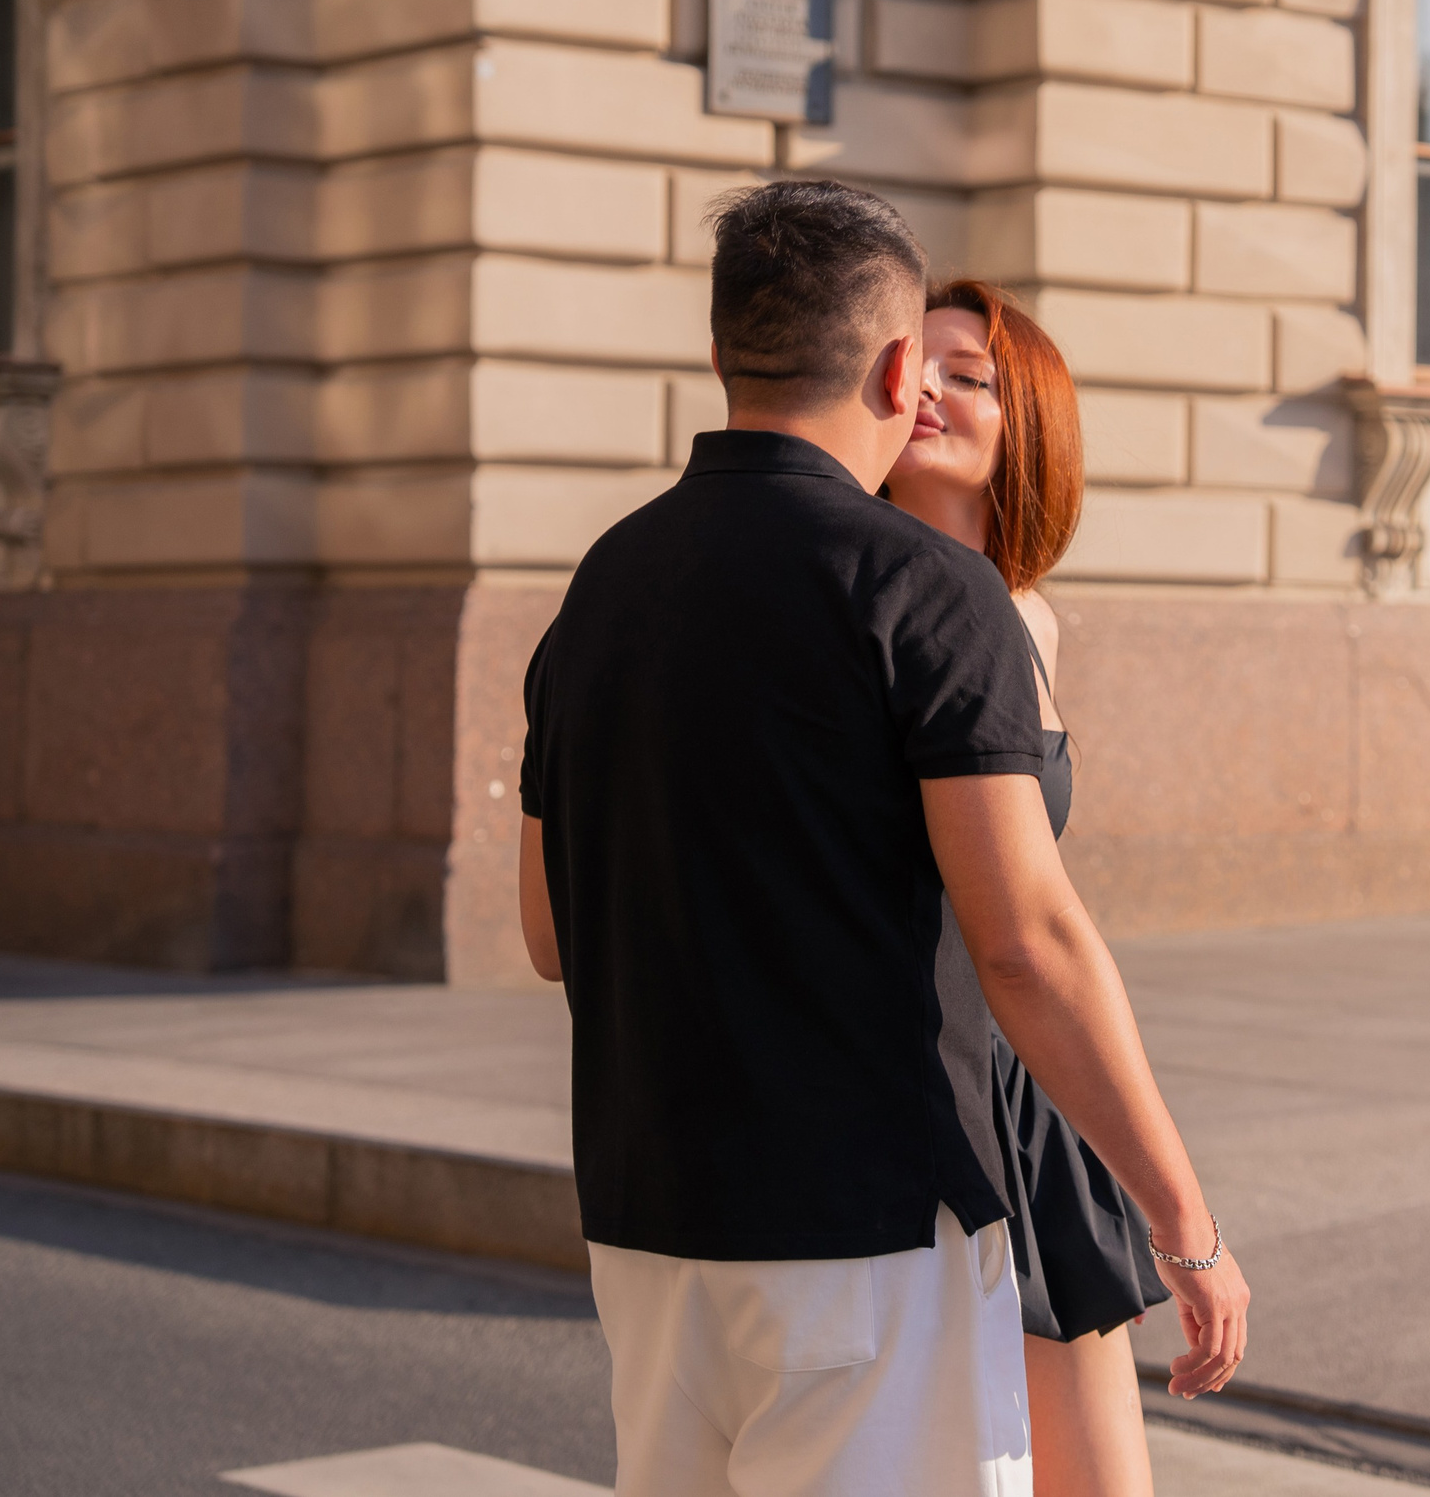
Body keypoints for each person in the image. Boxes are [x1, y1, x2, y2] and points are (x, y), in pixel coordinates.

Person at [515, 180, 1247, 1497]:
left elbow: (549, 930)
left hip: (648, 1218)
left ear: (726, 347)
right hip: (866, 1223)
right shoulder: (923, 589)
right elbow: (1026, 937)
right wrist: (1186, 1221)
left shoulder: (602, 582)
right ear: (901, 369)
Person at [884, 280, 1162, 1497]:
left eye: (970, 375)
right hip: (914, 1102)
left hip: (1029, 1098)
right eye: (916, 364)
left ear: (1027, 425)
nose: (929, 390)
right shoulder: (861, 594)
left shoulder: (1029, 618)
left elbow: (1043, 908)